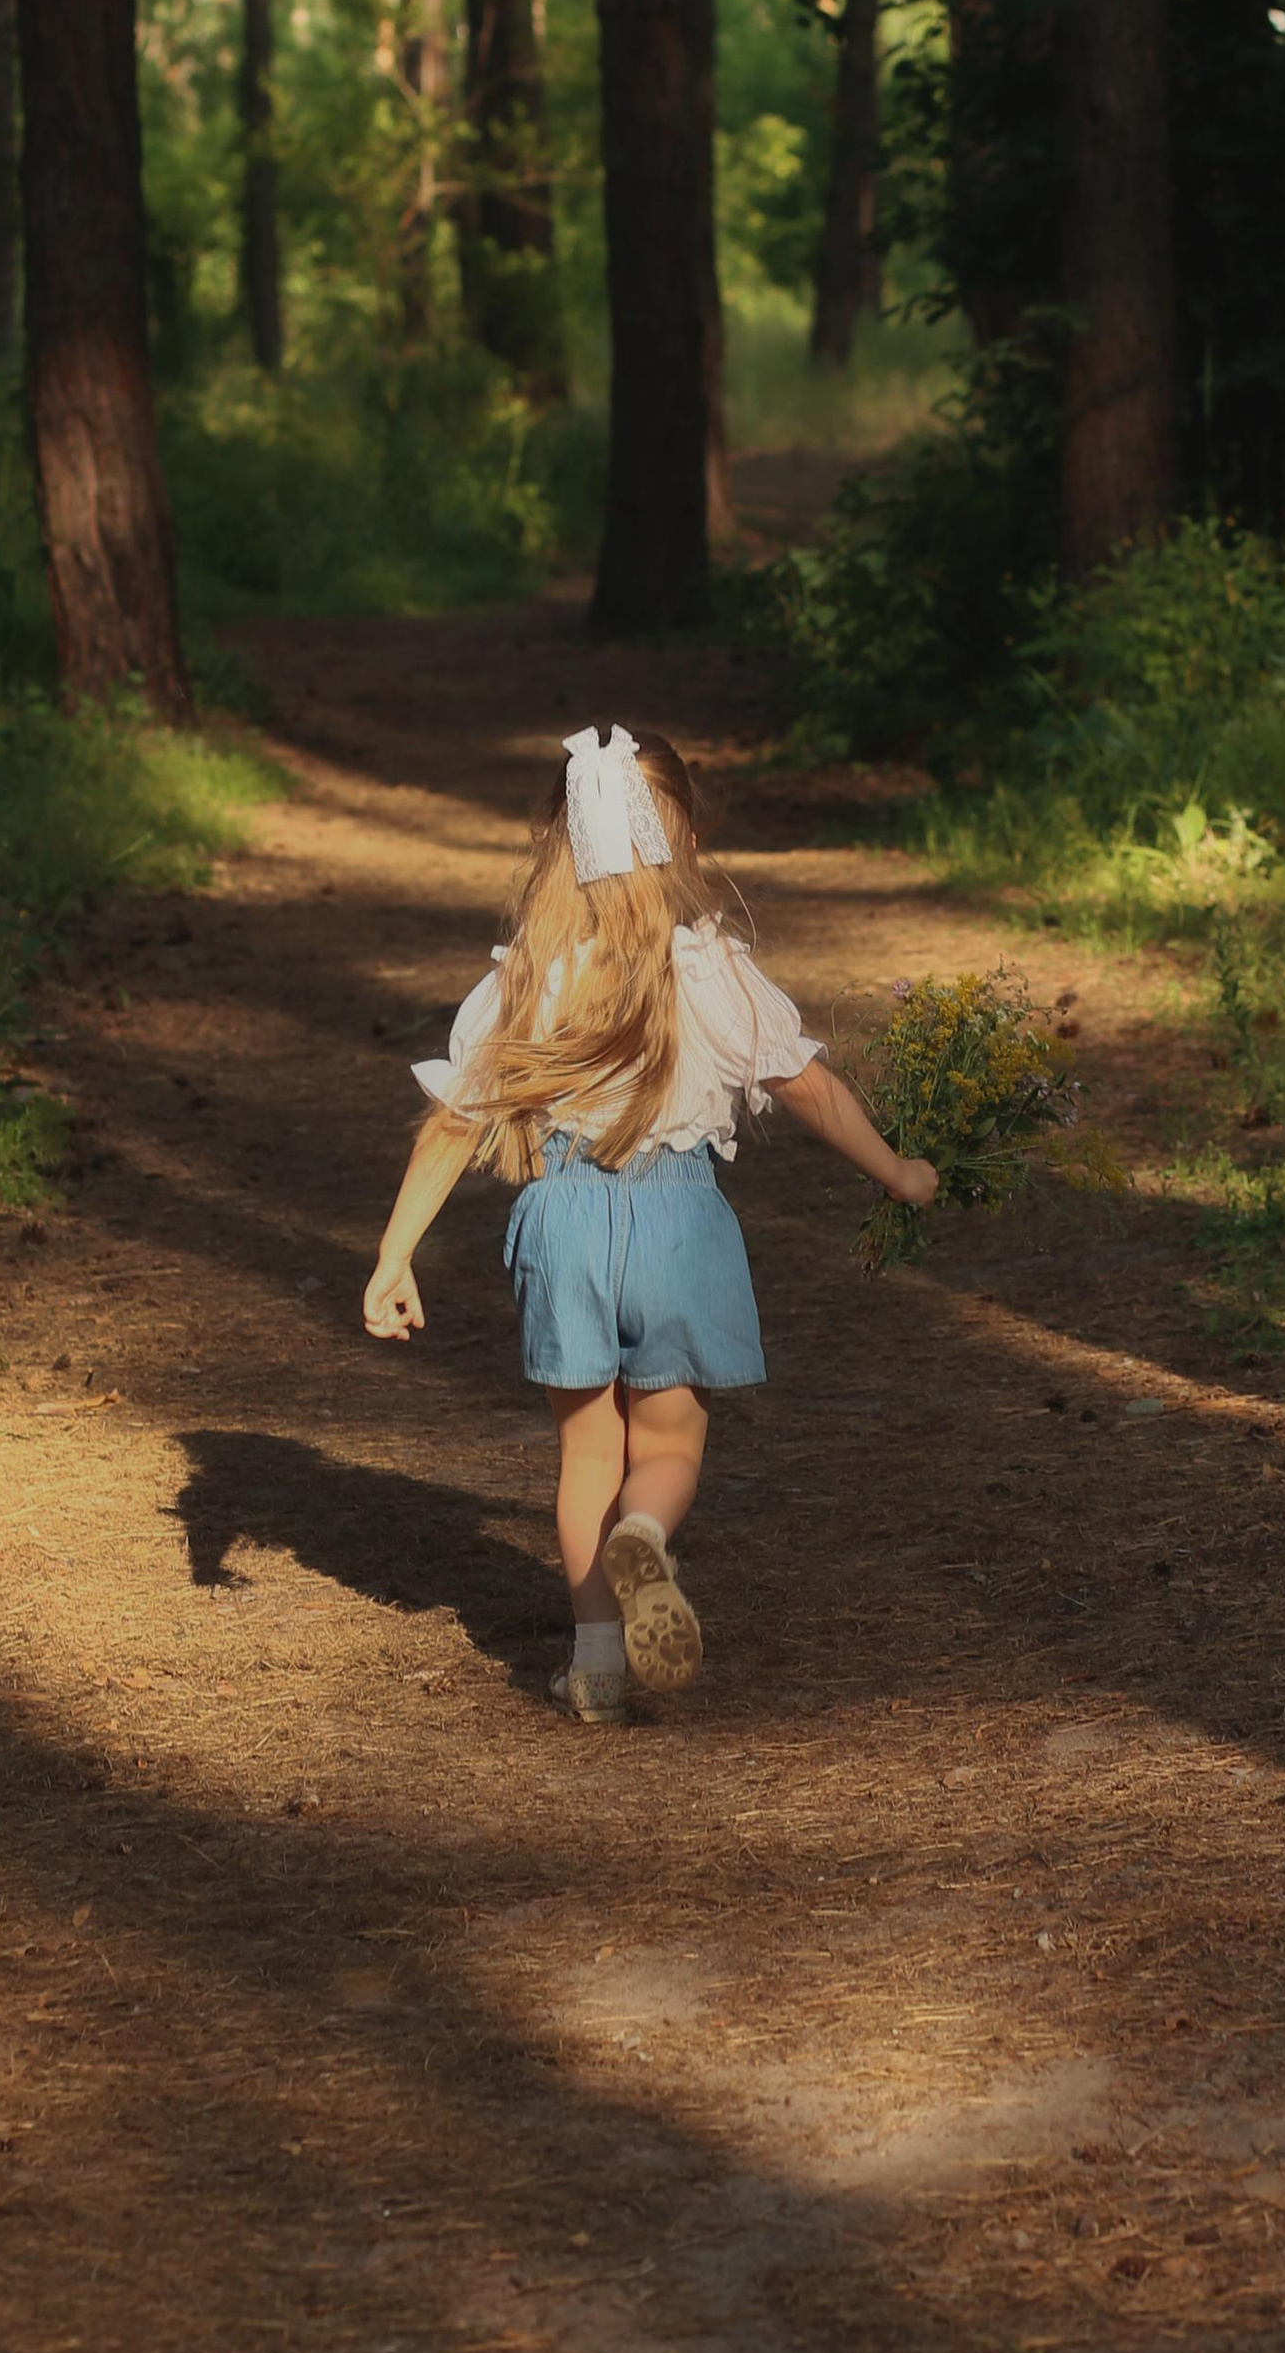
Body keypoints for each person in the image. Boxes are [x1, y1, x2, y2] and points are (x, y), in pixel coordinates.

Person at [361, 722, 938, 1722]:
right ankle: (645, 1532)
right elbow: (802, 1084)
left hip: (562, 1221)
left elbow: (454, 1120)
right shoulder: (707, 967)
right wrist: (896, 1171)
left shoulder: (527, 973)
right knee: (665, 1447)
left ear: (559, 840)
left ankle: (593, 1663)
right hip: (679, 1222)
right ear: (683, 843)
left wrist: (393, 1251)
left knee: (587, 1452)